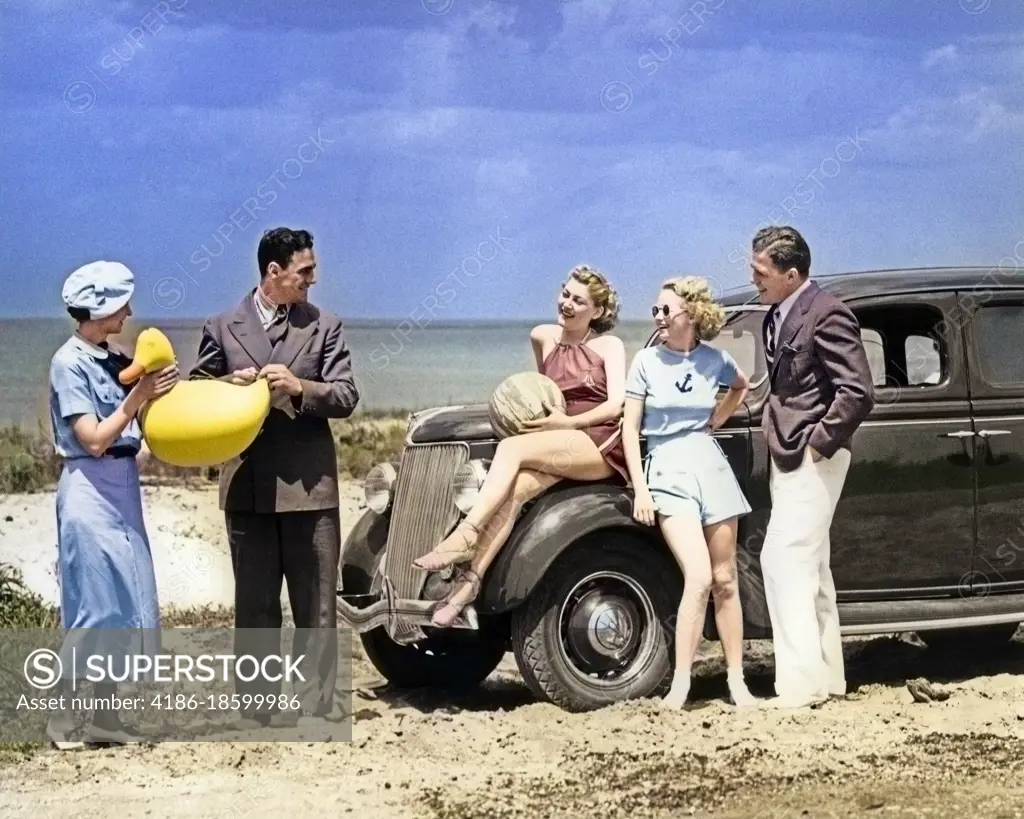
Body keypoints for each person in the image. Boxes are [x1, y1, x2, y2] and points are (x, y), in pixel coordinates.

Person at [189, 227, 360, 728]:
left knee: (317, 604)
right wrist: (228, 385)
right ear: (274, 272)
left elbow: (347, 395)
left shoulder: (325, 324)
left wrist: (300, 385)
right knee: (256, 604)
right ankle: (259, 706)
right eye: (304, 271)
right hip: (248, 487)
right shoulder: (222, 326)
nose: (313, 280)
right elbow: (197, 393)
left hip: (311, 489)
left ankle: (319, 702)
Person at [411, 264, 628, 627]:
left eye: (579, 300)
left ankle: (467, 533)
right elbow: (541, 390)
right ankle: (466, 587)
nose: (567, 304)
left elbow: (616, 404)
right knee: (513, 493)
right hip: (558, 441)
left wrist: (568, 422)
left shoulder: (608, 345)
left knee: (511, 449)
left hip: (599, 443)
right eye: (565, 293)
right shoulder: (542, 336)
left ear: (599, 312)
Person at [47, 260, 179, 747]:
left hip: (122, 487)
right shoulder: (68, 363)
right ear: (100, 309)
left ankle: (104, 719)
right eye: (121, 304)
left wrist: (157, 395)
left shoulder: (111, 357)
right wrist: (137, 395)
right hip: (89, 489)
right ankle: (62, 717)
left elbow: (133, 427)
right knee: (93, 607)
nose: (129, 313)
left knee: (122, 601)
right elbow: (94, 438)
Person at [750, 225, 875, 709]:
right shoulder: (776, 314)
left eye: (760, 272)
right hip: (790, 455)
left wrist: (818, 446)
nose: (754, 278)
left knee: (781, 560)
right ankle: (826, 678)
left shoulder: (826, 313)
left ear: (792, 273)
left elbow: (858, 391)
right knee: (814, 568)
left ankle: (800, 687)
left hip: (811, 456)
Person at [621, 276, 757, 709]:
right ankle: (681, 682)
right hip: (666, 469)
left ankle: (737, 680)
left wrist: (716, 421)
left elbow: (743, 386)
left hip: (710, 466)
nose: (658, 318)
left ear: (691, 315)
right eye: (655, 311)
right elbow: (629, 429)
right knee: (697, 577)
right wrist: (641, 490)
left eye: (666, 310)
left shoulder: (714, 359)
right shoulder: (645, 361)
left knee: (725, 580)